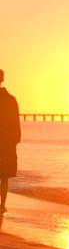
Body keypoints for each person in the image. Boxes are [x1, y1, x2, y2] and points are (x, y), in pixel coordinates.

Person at [0, 69, 21, 214]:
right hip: (7, 143)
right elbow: (16, 123)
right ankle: (2, 205)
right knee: (4, 176)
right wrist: (15, 140)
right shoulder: (11, 99)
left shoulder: (11, 99)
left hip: (6, 141)